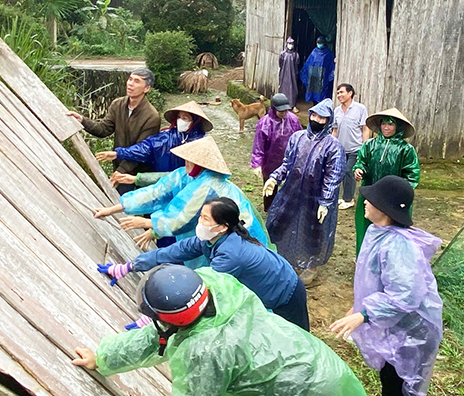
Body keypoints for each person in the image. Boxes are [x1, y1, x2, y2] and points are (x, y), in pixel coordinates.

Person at [73, 265, 392, 396]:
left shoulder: (205, 352)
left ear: (172, 320)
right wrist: (103, 357)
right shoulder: (214, 284)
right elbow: (155, 337)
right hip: (314, 362)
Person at [330, 175, 442, 396]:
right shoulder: (378, 232)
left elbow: (405, 295)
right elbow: (374, 281)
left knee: (396, 387)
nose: (365, 201)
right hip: (395, 324)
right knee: (392, 382)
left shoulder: (398, 246)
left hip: (410, 330)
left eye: (373, 200)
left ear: (388, 209)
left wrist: (365, 314)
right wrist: (357, 307)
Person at [99, 197, 308, 330]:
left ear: (222, 227)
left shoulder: (230, 256)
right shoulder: (210, 239)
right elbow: (173, 251)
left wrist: (156, 319)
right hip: (267, 286)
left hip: (286, 291)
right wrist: (131, 266)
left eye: (205, 219)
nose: (200, 222)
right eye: (201, 216)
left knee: (297, 337)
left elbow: (200, 290)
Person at [93, 136, 269, 263]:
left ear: (200, 165)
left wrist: (148, 223)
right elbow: (155, 192)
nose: (185, 163)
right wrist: (112, 209)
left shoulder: (210, 185)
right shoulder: (185, 175)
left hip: (236, 236)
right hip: (208, 236)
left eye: (189, 161)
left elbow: (181, 217)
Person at [263, 98, 345, 285]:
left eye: (322, 117)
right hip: (291, 190)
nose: (316, 119)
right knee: (280, 221)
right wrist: (275, 178)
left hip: (315, 197)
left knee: (314, 230)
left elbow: (333, 177)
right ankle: (280, 257)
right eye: (314, 115)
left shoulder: (334, 146)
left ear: (328, 120)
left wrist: (325, 201)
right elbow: (287, 164)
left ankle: (311, 266)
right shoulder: (297, 137)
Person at [66, 67, 161, 194]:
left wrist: (121, 171)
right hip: (119, 167)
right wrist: (83, 120)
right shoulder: (118, 104)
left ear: (146, 88)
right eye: (130, 79)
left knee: (134, 208)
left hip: (139, 171)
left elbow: (142, 151)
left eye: (137, 81)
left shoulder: (152, 116)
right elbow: (104, 129)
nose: (130, 84)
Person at [353, 107, 420, 255]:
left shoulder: (406, 150)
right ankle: (364, 258)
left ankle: (388, 261)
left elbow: (412, 175)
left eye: (390, 124)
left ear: (398, 127)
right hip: (370, 194)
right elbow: (361, 162)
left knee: (391, 230)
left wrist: (399, 194)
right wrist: (359, 170)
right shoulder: (370, 145)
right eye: (383, 124)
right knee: (365, 227)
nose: (386, 127)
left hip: (392, 200)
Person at [96, 100, 213, 176]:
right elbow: (145, 148)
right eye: (179, 117)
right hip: (161, 184)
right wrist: (118, 153)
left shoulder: (202, 142)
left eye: (185, 118)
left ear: (195, 121)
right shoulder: (166, 137)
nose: (180, 121)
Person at [250, 93, 302, 211]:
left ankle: (286, 209)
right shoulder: (265, 123)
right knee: (270, 186)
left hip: (289, 159)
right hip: (270, 160)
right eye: (280, 111)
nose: (283, 113)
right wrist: (257, 163)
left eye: (285, 110)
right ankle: (269, 209)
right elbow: (259, 145)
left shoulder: (293, 120)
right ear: (273, 109)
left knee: (290, 186)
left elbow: (300, 137)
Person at [331, 83, 369, 210]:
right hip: (340, 149)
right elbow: (334, 130)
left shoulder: (360, 109)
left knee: (349, 171)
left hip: (355, 148)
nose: (339, 95)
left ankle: (349, 199)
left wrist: (365, 146)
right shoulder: (336, 111)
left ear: (350, 93)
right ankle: (343, 197)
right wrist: (332, 144)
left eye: (341, 92)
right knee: (340, 173)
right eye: (337, 93)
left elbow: (365, 128)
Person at [299, 36, 335, 104]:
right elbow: (308, 64)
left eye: (320, 43)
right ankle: (314, 104)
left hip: (323, 76)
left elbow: (331, 66)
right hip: (314, 75)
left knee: (322, 94)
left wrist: (329, 76)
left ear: (324, 43)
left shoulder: (328, 54)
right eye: (318, 43)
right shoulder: (314, 52)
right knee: (313, 92)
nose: (319, 44)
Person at [278, 37, 301, 110]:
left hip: (293, 75)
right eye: (289, 43)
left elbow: (297, 64)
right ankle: (282, 104)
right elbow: (280, 64)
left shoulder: (295, 54)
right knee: (283, 88)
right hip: (284, 74)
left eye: (292, 44)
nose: (290, 45)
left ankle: (292, 105)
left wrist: (295, 73)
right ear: (286, 44)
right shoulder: (282, 54)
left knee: (293, 89)